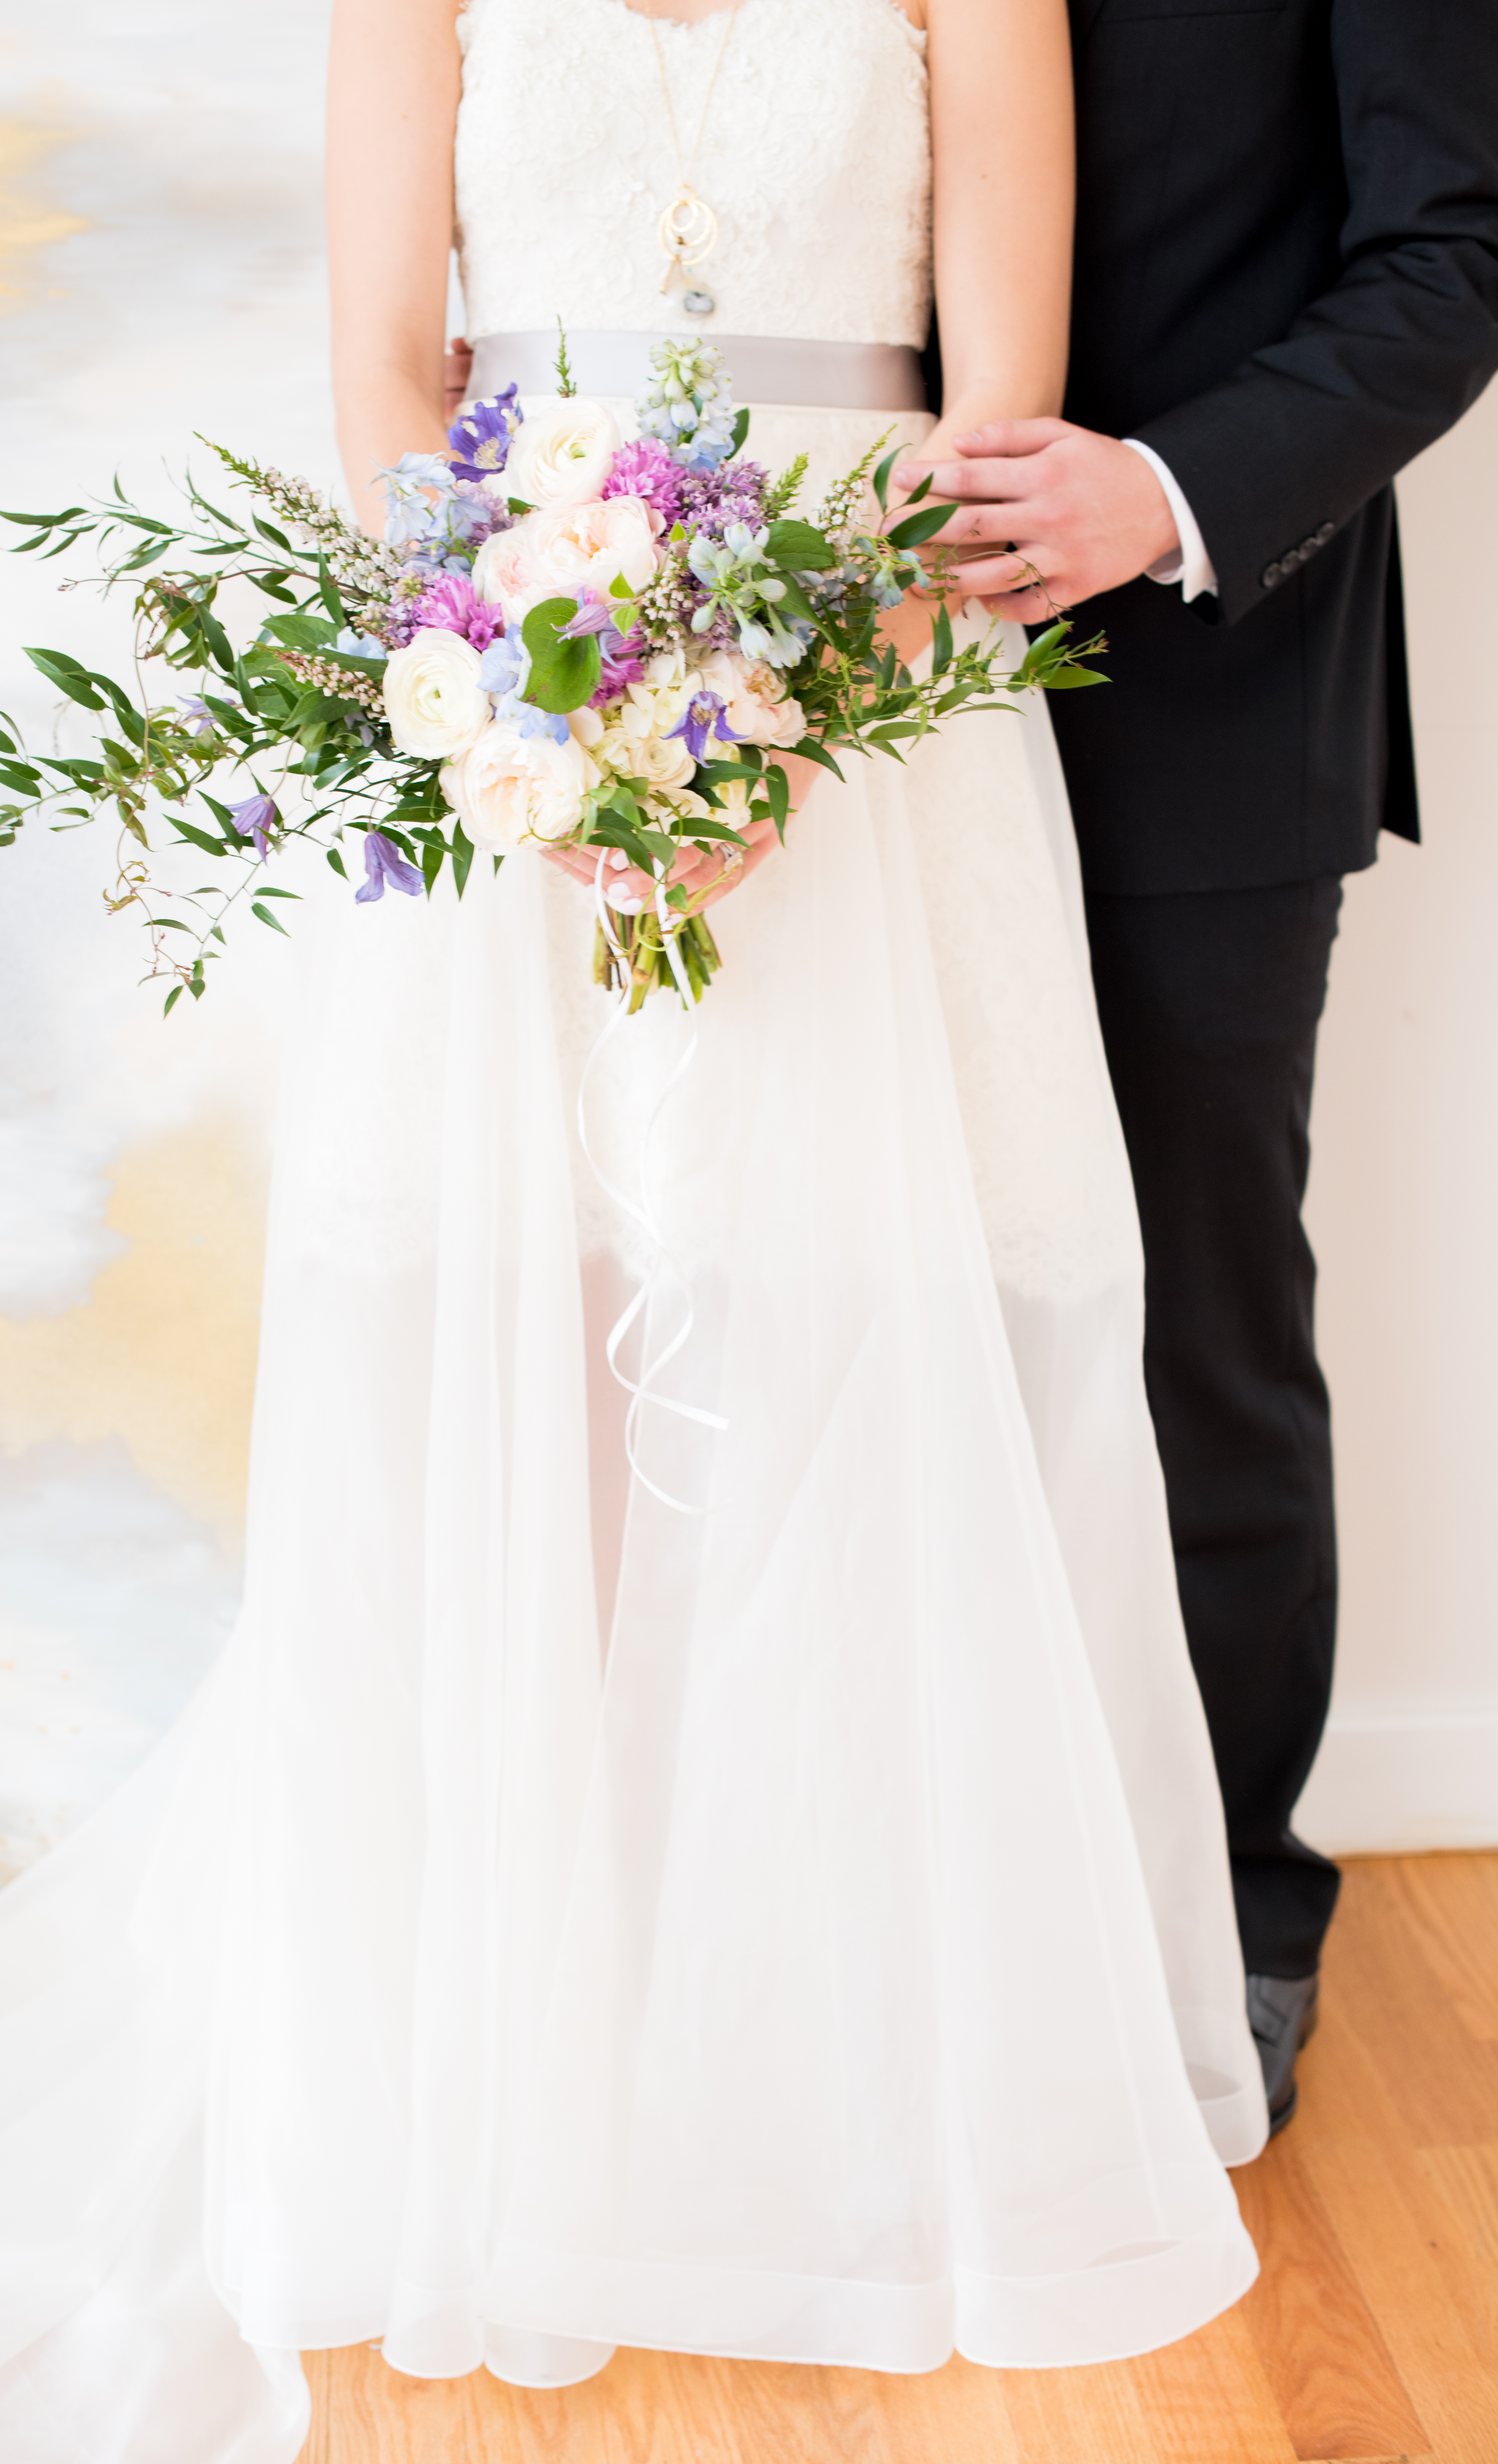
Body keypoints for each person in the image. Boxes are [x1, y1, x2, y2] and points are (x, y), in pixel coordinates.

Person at [0, 7, 1270, 2457]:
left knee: (878, 1315)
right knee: (527, 1315)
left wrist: (790, 726)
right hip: (518, 679)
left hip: (874, 701)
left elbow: (995, 444)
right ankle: (535, 2032)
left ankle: (825, 2056)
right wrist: (549, 715)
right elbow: (393, 378)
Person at [895, 0, 1498, 2133]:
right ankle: (883, 1907)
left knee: (1192, 1328)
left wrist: (1158, 496)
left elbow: (1457, 244)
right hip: (812, 717)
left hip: (1201, 713)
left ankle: (1225, 1917)